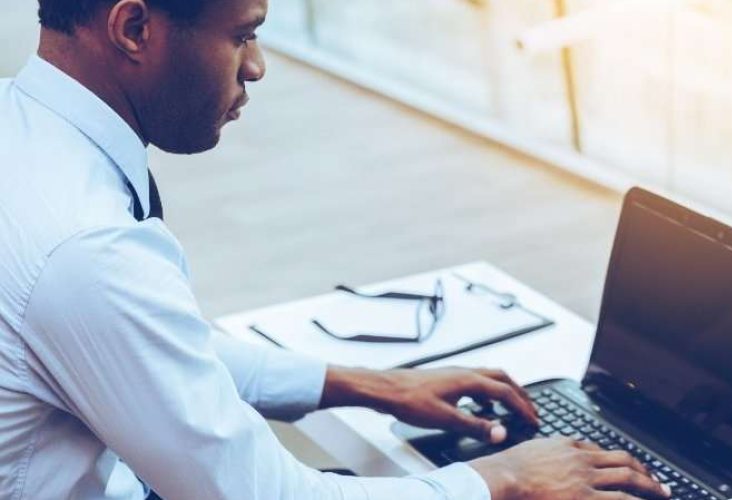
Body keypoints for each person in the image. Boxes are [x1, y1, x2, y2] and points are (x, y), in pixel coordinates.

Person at [0, 0, 672, 498]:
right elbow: (258, 496)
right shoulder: (85, 247)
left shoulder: (19, 125)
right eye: (242, 35)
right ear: (134, 28)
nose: (256, 67)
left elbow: (141, 346)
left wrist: (362, 384)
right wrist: (500, 480)